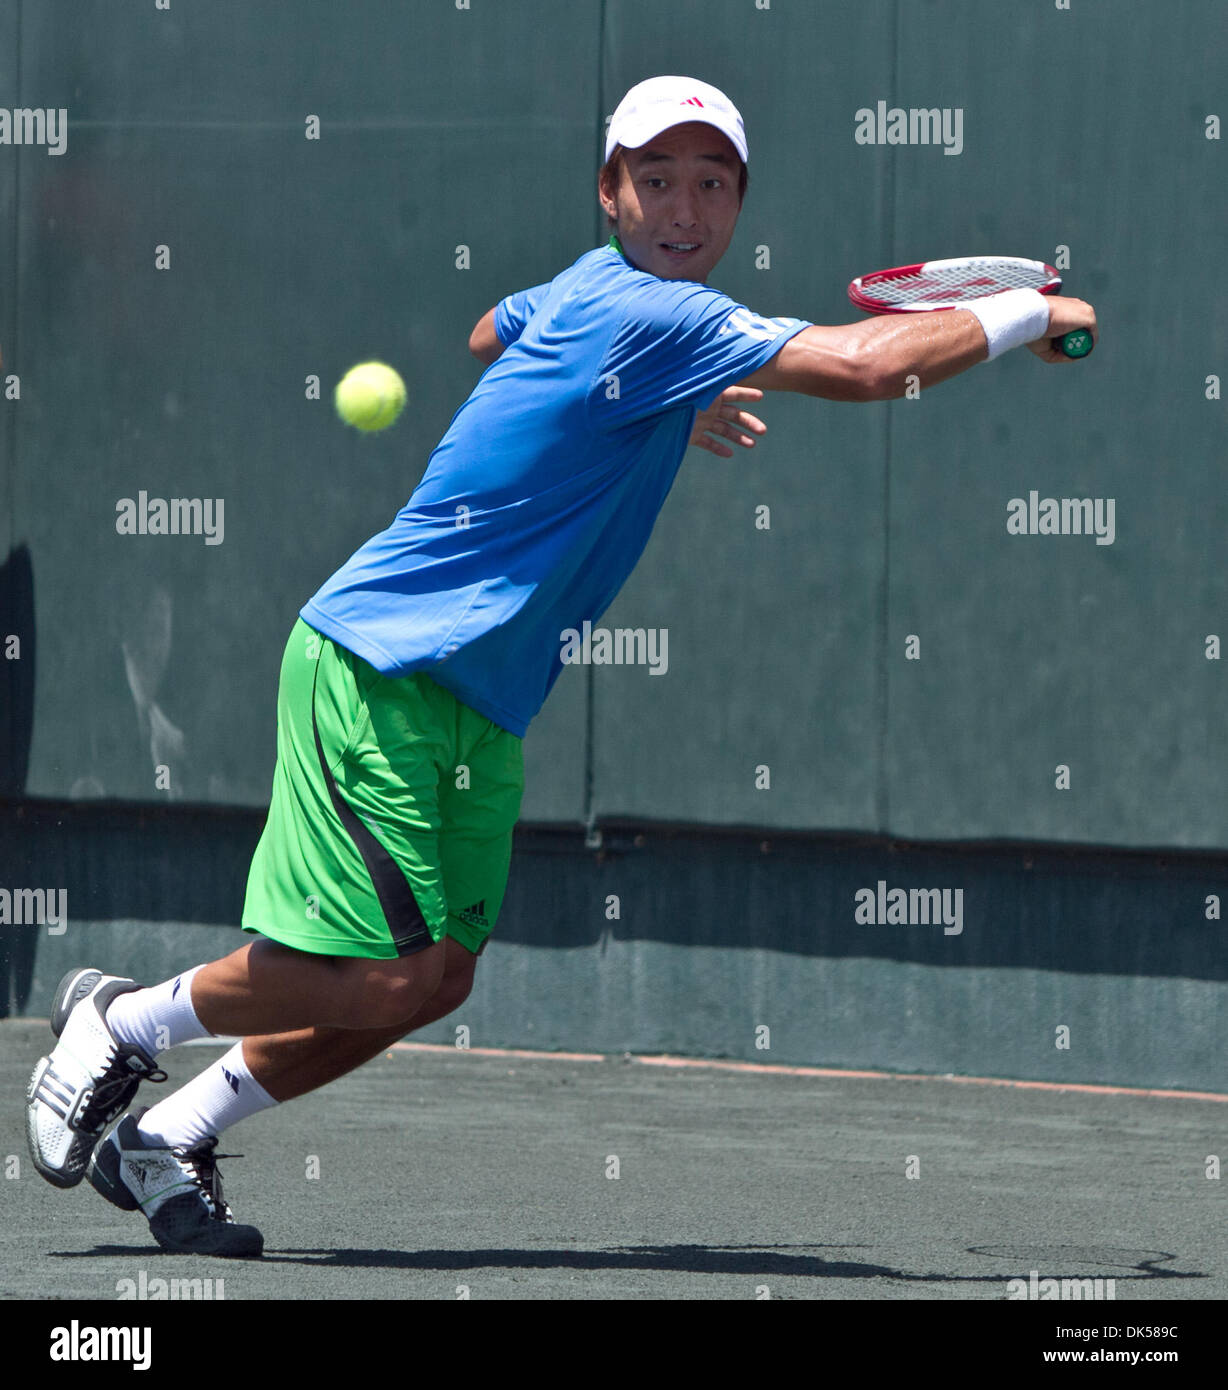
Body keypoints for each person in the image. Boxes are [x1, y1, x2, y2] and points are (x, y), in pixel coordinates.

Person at [25, 76, 1097, 1258]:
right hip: (378, 665)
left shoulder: (598, 300)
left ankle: (168, 1134)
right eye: (655, 179)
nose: (682, 206)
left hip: (483, 705)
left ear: (739, 199)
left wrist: (643, 407)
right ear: (609, 192)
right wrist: (1023, 315)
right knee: (377, 975)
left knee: (435, 982)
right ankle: (119, 1021)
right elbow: (857, 369)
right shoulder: (654, 315)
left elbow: (495, 330)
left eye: (711, 183)